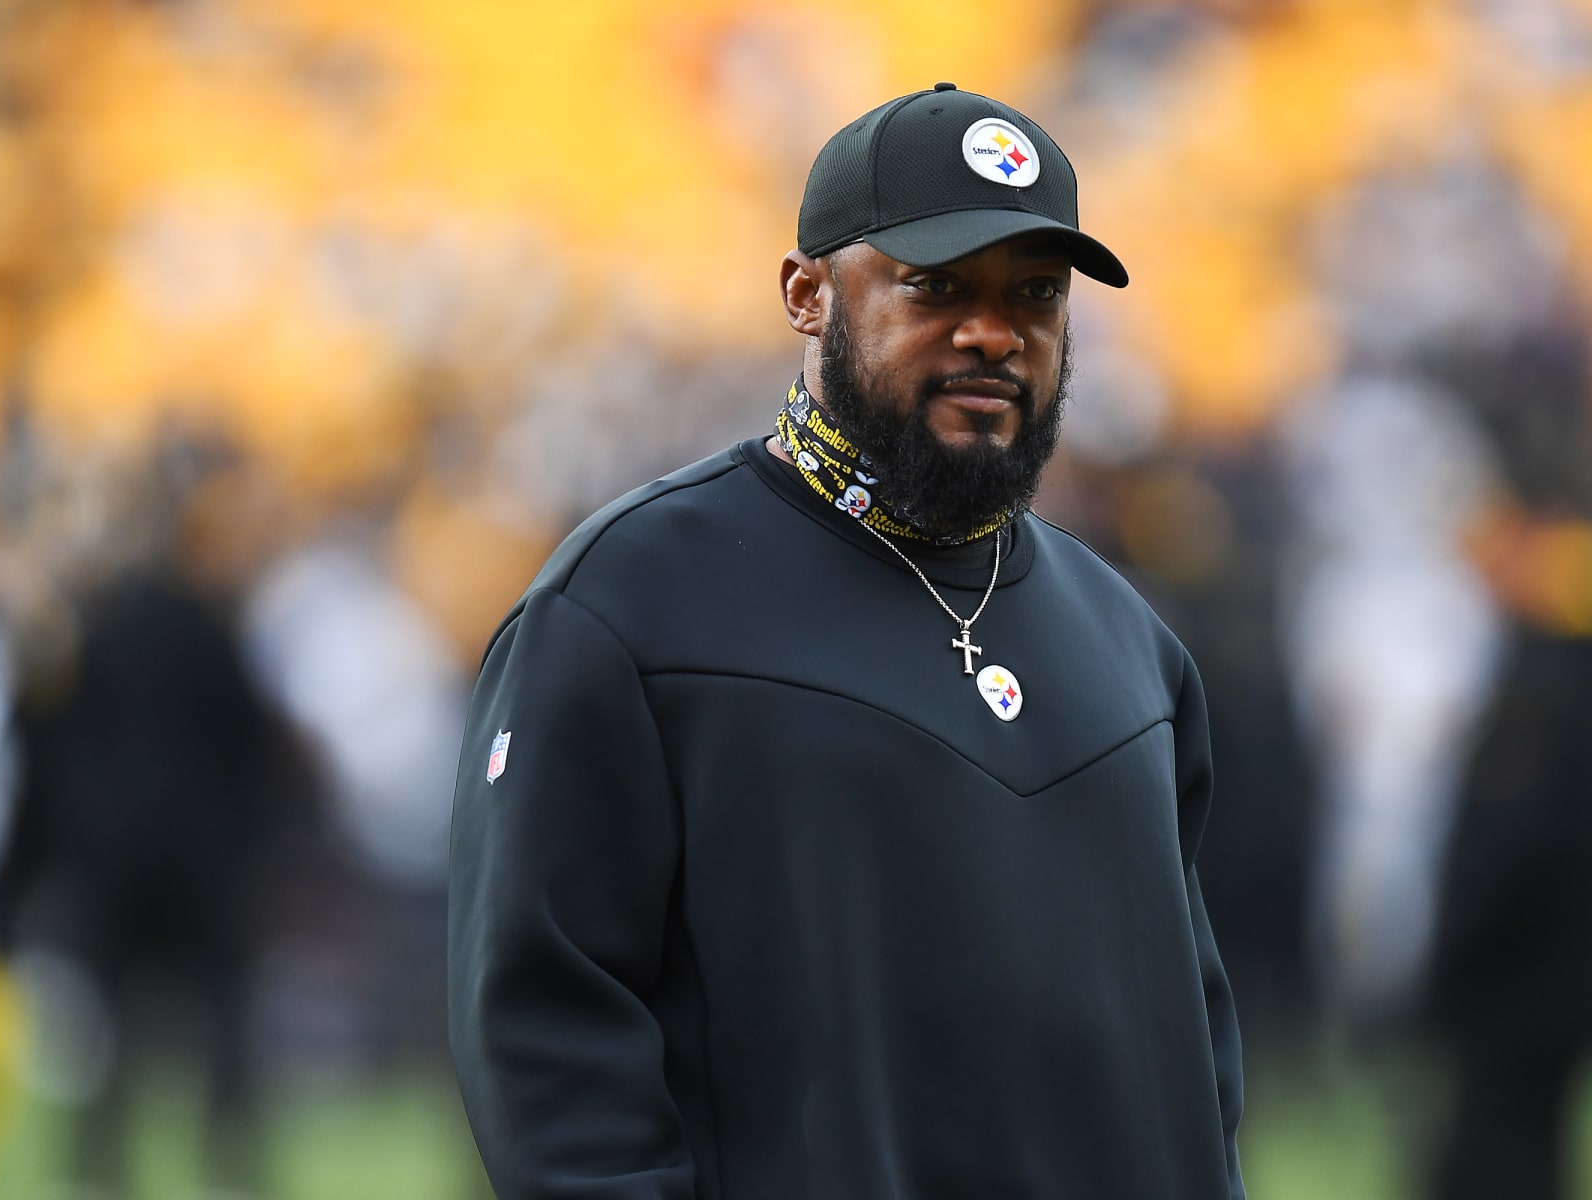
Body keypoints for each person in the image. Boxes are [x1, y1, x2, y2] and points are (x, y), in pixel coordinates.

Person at [448, 84, 1247, 1200]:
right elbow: (549, 1040)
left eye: (1034, 294)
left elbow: (1193, 1062)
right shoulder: (628, 600)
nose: (991, 332)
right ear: (806, 292)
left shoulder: (1133, 647)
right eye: (935, 286)